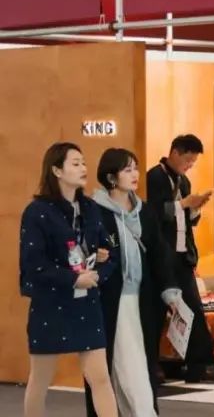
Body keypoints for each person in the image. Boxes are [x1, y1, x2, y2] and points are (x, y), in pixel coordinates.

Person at [19, 143, 118, 417]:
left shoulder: (91, 208)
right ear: (56, 170)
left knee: (100, 377)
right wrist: (73, 279)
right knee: (40, 379)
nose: (83, 168)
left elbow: (111, 250)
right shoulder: (37, 212)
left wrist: (99, 272)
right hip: (51, 303)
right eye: (75, 163)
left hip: (87, 303)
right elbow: (33, 265)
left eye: (83, 163)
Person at [86, 148, 183, 417]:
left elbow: (159, 254)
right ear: (111, 177)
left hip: (143, 301)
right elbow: (87, 250)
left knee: (141, 363)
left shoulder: (144, 211)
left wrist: (170, 292)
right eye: (127, 170)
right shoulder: (95, 212)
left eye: (136, 168)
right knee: (121, 366)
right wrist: (97, 255)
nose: (135, 174)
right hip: (110, 302)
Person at [145, 134, 214, 382]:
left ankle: (199, 365)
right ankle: (151, 366)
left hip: (183, 255)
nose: (189, 166)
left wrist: (195, 207)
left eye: (193, 162)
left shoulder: (183, 181)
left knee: (194, 309)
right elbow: (154, 214)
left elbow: (187, 220)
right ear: (174, 152)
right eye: (187, 160)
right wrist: (184, 203)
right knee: (155, 313)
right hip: (161, 256)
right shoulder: (154, 177)